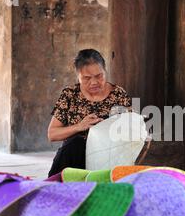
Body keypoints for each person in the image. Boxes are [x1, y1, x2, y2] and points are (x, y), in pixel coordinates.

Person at [47, 49, 132, 177]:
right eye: (86, 78)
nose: (94, 82)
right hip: (73, 157)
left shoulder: (118, 94)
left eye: (99, 76)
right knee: (76, 143)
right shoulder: (70, 94)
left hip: (107, 156)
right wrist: (79, 127)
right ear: (78, 76)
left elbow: (130, 130)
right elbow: (52, 134)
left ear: (105, 71)